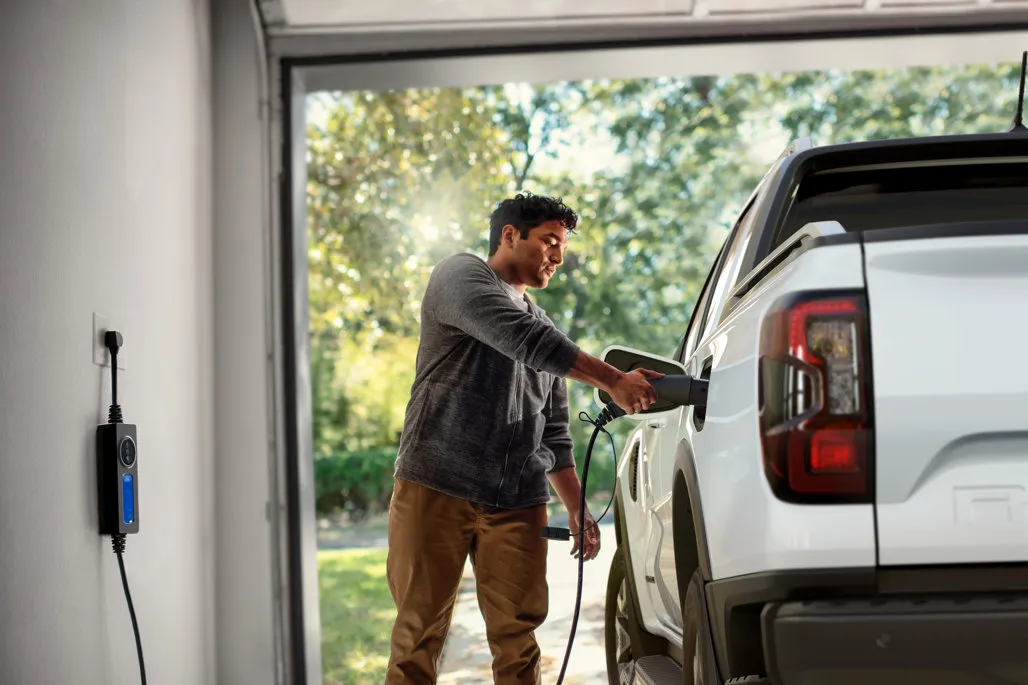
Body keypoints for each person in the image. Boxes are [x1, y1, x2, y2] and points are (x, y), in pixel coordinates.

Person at [384, 193, 662, 685]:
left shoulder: (549, 330)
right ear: (510, 235)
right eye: (549, 241)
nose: (557, 256)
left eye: (561, 246)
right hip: (436, 484)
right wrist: (614, 379)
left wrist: (576, 508)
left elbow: (554, 432)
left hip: (517, 501)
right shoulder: (459, 275)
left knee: (519, 642)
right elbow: (521, 339)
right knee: (417, 636)